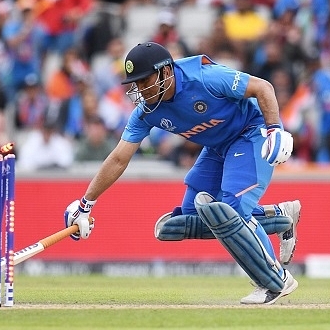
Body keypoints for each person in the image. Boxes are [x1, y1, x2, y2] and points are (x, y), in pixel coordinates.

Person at [63, 41, 301, 305]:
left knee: (231, 210)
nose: (140, 90)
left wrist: (275, 129)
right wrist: (86, 203)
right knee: (188, 219)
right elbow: (119, 158)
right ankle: (281, 217)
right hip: (217, 147)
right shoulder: (146, 112)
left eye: (145, 81)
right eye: (136, 83)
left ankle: (274, 280)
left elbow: (263, 87)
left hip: (250, 134)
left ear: (165, 72)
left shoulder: (204, 77)